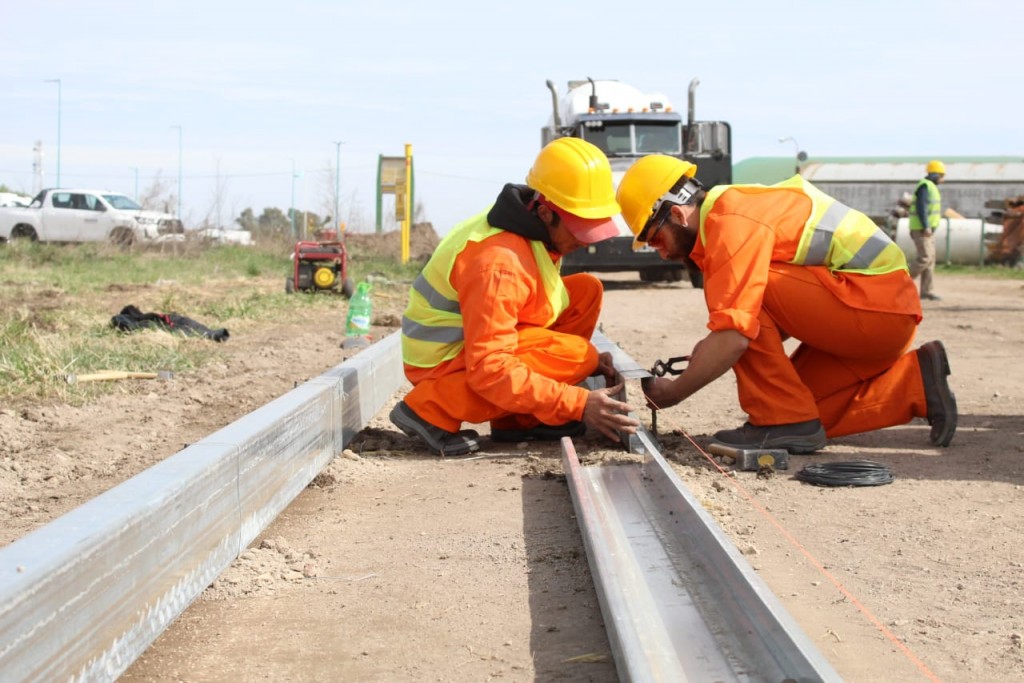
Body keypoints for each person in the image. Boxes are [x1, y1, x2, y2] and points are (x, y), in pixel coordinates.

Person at [616, 155, 958, 453]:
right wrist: (708, 352)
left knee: (743, 312)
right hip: (876, 317)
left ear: (677, 213)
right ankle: (915, 383)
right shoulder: (734, 213)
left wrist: (674, 391)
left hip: (875, 310)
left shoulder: (730, 219)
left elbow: (737, 332)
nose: (660, 251)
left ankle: (779, 421)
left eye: (655, 238)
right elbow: (769, 323)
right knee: (803, 412)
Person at [389, 137, 640, 456]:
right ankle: (431, 410)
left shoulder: (533, 230)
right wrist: (575, 401)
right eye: (580, 227)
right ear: (547, 212)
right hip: (444, 363)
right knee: (579, 356)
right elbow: (489, 367)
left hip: (470, 342)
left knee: (586, 292)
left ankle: (520, 418)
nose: (585, 239)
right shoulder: (498, 262)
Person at [908, 160, 946, 301]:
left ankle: (926, 291)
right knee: (925, 258)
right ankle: (902, 281)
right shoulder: (925, 186)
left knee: (930, 260)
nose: (943, 179)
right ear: (935, 174)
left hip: (927, 230)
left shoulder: (930, 187)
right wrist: (926, 226)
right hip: (921, 229)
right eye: (941, 175)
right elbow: (921, 208)